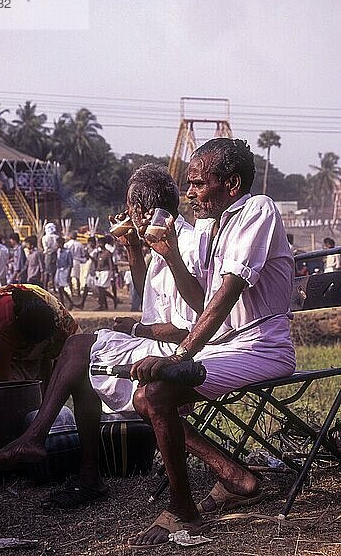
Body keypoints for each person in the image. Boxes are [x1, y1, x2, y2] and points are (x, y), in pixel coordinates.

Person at [0, 164, 198, 511]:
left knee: (79, 347)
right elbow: (152, 298)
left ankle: (39, 438)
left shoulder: (185, 244)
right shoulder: (163, 238)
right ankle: (85, 472)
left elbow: (188, 328)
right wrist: (132, 249)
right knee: (79, 355)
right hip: (158, 342)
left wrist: (136, 329)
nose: (127, 215)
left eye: (130, 209)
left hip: (179, 352)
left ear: (139, 212)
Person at [128, 138, 296, 547]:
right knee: (143, 398)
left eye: (199, 184)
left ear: (233, 184)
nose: (189, 193)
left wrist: (183, 355)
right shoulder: (209, 228)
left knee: (157, 391)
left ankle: (185, 511)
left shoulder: (258, 210)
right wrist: (170, 256)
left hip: (263, 346)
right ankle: (232, 473)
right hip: (227, 344)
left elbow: (227, 295)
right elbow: (200, 302)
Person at [0, 284, 79, 393]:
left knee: (43, 389)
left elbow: (63, 366)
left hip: (45, 339)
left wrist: (50, 393)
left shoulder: (61, 321)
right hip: (9, 341)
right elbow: (1, 382)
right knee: (14, 392)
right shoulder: (6, 329)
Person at [94, 236, 114, 310]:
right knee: (100, 289)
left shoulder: (107, 253)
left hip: (105, 271)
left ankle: (101, 305)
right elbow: (96, 262)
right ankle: (105, 305)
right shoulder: (98, 253)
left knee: (101, 288)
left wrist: (111, 275)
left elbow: (110, 264)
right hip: (99, 272)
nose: (99, 244)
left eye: (100, 243)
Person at [54, 237, 74, 309]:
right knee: (59, 288)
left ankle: (67, 303)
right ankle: (63, 304)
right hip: (59, 270)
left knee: (62, 287)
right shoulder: (58, 251)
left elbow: (70, 264)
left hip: (65, 270)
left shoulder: (68, 252)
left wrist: (68, 274)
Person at [65, 231, 86, 297]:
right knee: (77, 278)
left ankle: (71, 292)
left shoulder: (67, 244)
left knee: (69, 277)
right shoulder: (80, 244)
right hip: (77, 261)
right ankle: (78, 293)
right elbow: (83, 254)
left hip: (68, 262)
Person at [41, 223, 58, 291]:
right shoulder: (56, 237)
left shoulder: (44, 237)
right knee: (54, 272)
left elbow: (45, 248)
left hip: (47, 255)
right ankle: (53, 287)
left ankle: (45, 287)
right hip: (55, 255)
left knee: (47, 272)